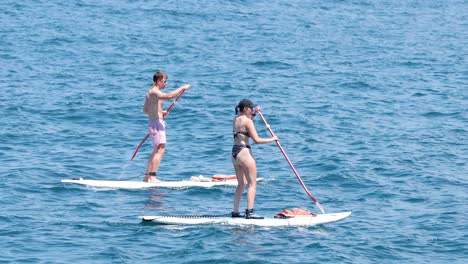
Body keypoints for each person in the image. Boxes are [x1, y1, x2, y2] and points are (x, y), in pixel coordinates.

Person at [231, 99, 278, 219]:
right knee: (252, 184)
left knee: (241, 184)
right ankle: (250, 212)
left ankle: (235, 212)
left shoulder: (236, 119)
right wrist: (273, 139)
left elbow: (246, 126)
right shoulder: (247, 121)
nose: (252, 109)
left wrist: (254, 114)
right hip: (244, 152)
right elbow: (257, 140)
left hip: (234, 152)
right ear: (246, 109)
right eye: (251, 108)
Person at [143, 71, 191, 182]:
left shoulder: (149, 93)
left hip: (153, 123)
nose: (166, 84)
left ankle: (147, 177)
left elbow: (146, 110)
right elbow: (169, 96)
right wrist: (182, 88)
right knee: (160, 149)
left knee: (156, 150)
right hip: (157, 124)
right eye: (165, 81)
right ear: (158, 81)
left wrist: (160, 112)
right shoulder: (155, 92)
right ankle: (152, 177)